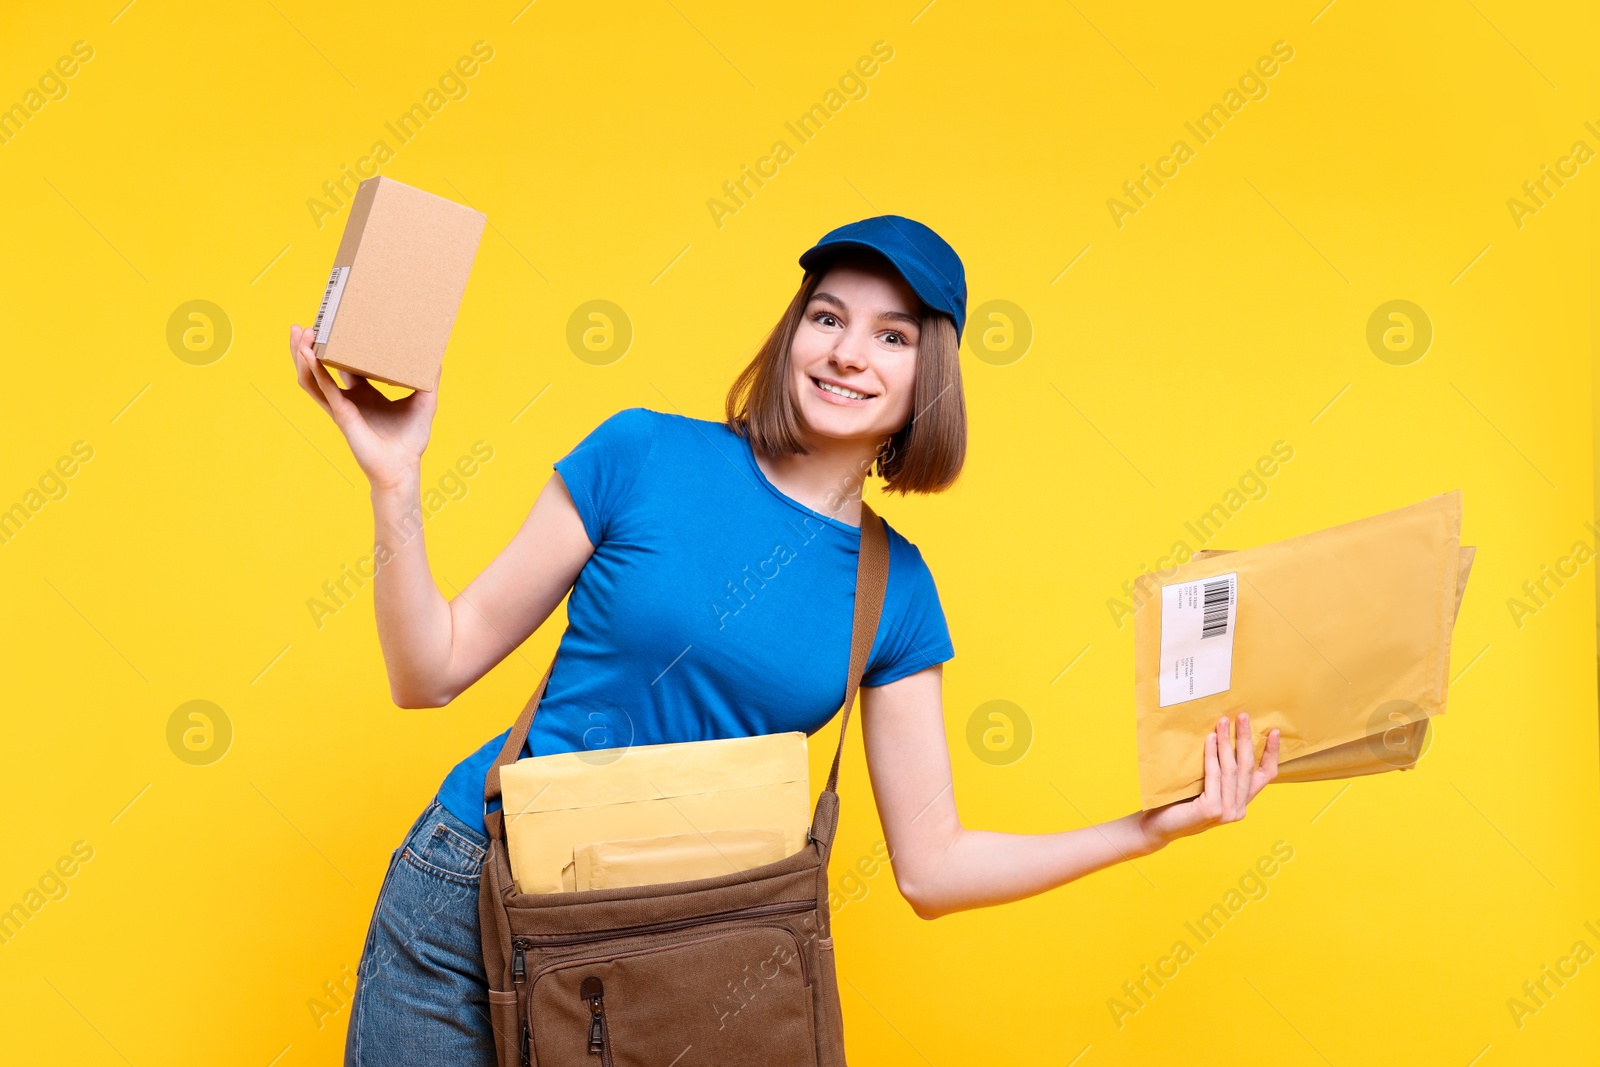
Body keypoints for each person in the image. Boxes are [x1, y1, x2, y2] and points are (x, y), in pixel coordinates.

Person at [288, 215, 1281, 1066]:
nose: (850, 352)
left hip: (677, 950)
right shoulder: (641, 452)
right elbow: (430, 671)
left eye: (892, 335)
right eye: (827, 317)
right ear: (792, 333)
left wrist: (1151, 827)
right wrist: (396, 484)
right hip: (473, 895)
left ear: (926, 377)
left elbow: (931, 868)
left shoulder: (895, 590)